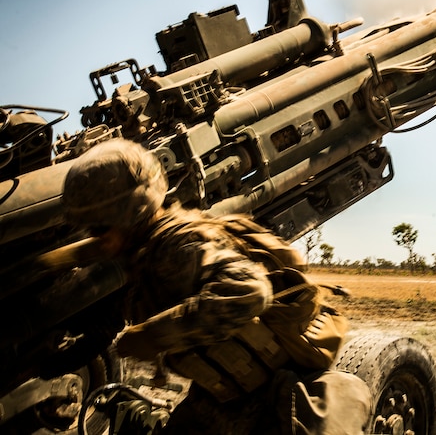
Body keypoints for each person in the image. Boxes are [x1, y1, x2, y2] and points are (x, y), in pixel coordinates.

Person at [61, 138, 371, 434]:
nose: (97, 238)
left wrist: (154, 335)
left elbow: (249, 292)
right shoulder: (142, 257)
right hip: (221, 397)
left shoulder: (176, 245)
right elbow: (117, 316)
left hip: (274, 393)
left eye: (100, 227)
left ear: (128, 214)